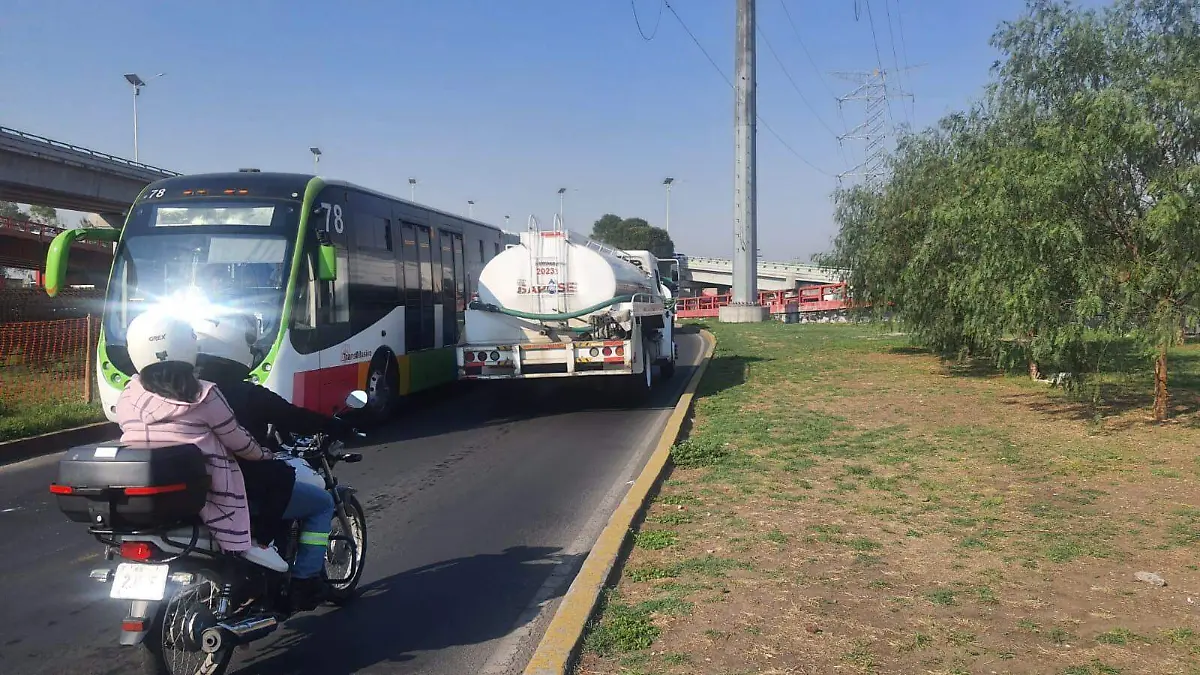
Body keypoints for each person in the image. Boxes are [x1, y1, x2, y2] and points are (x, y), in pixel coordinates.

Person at [114, 310, 288, 575]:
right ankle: (259, 543)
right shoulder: (204, 394)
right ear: (188, 346)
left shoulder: (127, 396)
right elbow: (238, 441)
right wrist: (265, 454)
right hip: (204, 488)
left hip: (144, 485)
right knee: (280, 477)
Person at [192, 315, 348, 609]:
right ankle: (305, 581)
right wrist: (334, 425)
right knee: (322, 503)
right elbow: (293, 418)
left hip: (198, 491)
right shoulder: (246, 395)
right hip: (242, 488)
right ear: (238, 348)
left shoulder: (184, 393)